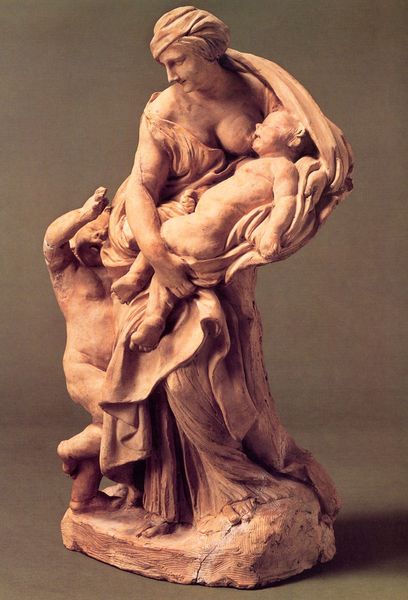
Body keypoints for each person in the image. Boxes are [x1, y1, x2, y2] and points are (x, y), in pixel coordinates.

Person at [96, 6, 352, 536]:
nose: (171, 74)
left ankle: (242, 479)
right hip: (161, 232)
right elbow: (141, 187)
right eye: (164, 64)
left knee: (234, 355)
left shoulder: (259, 92)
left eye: (178, 61)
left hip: (226, 243)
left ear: (210, 53)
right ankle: (187, 497)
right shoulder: (164, 110)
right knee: (181, 362)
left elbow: (308, 147)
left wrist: (290, 211)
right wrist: (158, 256)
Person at [129, 109, 308, 351]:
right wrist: (196, 197)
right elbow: (223, 190)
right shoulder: (246, 164)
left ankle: (137, 277)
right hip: (200, 224)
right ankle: (155, 318)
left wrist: (273, 232)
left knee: (160, 237)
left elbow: (287, 202)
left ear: (293, 140)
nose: (258, 127)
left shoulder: (283, 168)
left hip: (211, 233)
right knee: (169, 262)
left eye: (268, 125)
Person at [44, 188, 140, 512]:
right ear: (75, 239)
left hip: (121, 369)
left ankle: (83, 498)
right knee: (125, 419)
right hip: (84, 367)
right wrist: (85, 214)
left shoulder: (121, 269)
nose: (99, 240)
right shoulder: (67, 271)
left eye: (105, 235)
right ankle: (70, 449)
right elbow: (51, 240)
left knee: (108, 427)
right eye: (92, 234)